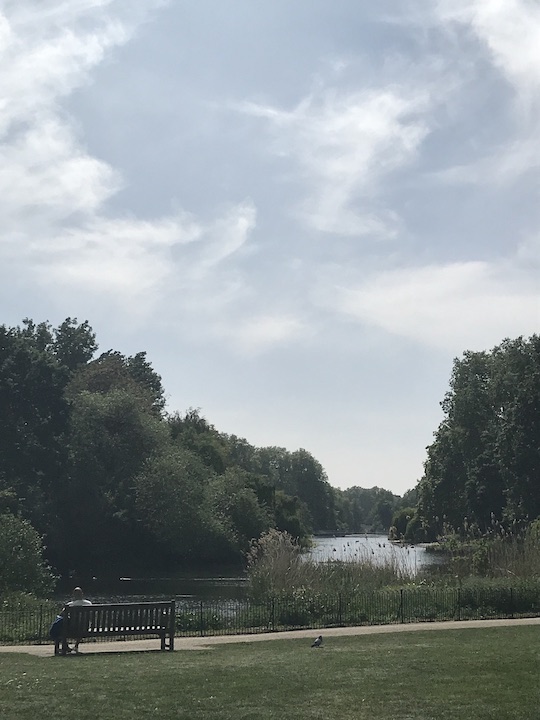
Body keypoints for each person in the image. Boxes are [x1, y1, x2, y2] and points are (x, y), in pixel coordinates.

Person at [66, 587, 92, 653]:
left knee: (61, 626)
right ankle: (76, 646)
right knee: (82, 624)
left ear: (73, 595)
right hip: (85, 627)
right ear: (82, 594)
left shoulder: (70, 605)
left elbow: (61, 615)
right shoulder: (88, 603)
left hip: (73, 627)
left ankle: (66, 647)